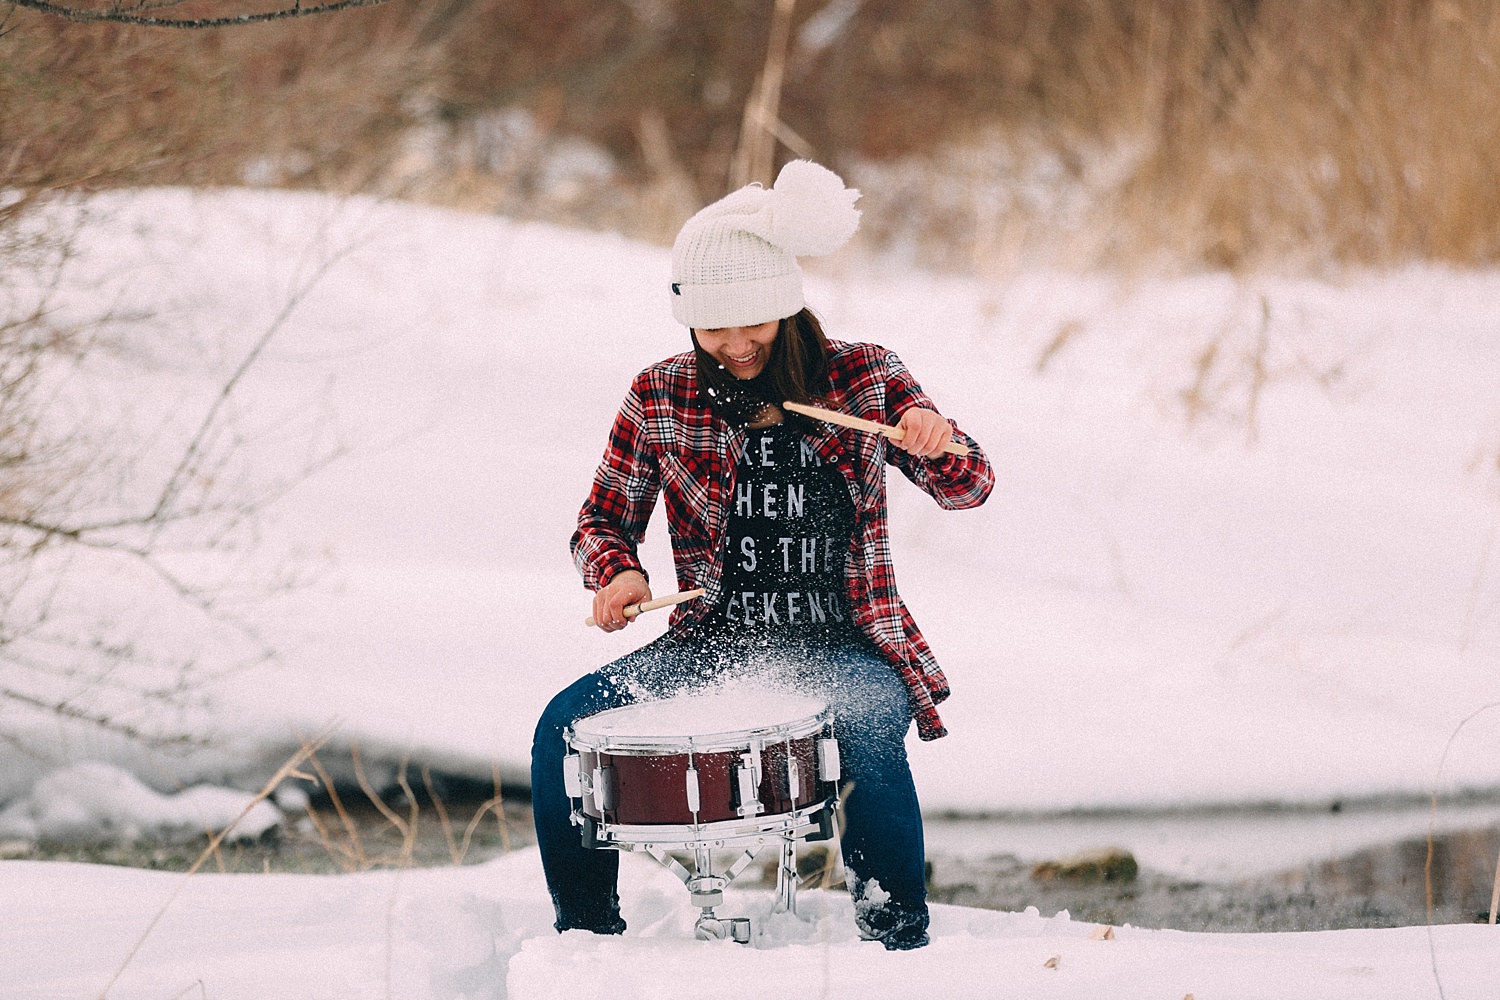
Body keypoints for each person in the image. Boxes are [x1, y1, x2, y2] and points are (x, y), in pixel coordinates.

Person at [531, 159, 993, 951]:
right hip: (714, 643)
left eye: (755, 323)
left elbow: (971, 487)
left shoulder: (865, 377)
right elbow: (601, 521)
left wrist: (938, 438)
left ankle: (898, 942)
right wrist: (619, 574)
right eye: (715, 328)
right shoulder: (659, 395)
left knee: (870, 732)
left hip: (846, 640)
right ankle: (585, 940)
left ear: (788, 307)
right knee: (561, 732)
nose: (737, 345)